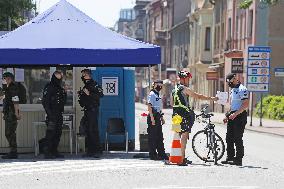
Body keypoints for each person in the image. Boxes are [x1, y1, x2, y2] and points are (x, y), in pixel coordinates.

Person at [171, 70, 218, 166]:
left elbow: (172, 103)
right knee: (184, 135)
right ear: (183, 79)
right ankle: (181, 159)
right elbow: (198, 96)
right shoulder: (184, 88)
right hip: (184, 114)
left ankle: (176, 157)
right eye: (188, 78)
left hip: (175, 115)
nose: (188, 80)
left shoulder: (174, 89)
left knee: (177, 136)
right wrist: (211, 99)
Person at [221, 73, 249, 166]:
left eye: (230, 82)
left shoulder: (242, 89)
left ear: (235, 79)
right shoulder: (233, 90)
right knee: (229, 137)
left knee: (237, 138)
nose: (230, 84)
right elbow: (233, 105)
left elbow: (245, 104)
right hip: (232, 114)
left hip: (240, 115)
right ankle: (230, 157)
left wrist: (235, 114)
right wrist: (227, 115)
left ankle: (238, 159)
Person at [78, 69, 104, 158]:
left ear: (88, 75)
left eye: (84, 75)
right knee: (88, 130)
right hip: (87, 110)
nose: (82, 77)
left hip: (93, 110)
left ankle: (97, 150)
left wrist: (89, 94)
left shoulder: (94, 84)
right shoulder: (86, 85)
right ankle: (90, 150)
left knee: (93, 130)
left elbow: (101, 95)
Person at [42, 70, 67, 159]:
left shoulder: (60, 87)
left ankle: (54, 151)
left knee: (58, 133)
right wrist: (50, 114)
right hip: (52, 114)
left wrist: (65, 92)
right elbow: (45, 102)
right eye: (59, 76)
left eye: (61, 76)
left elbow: (63, 101)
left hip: (59, 113)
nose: (60, 78)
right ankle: (47, 152)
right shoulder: (49, 87)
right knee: (50, 133)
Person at [1, 72, 21, 159]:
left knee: (10, 133)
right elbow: (3, 97)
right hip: (8, 113)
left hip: (11, 114)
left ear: (12, 79)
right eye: (5, 78)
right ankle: (13, 151)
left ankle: (13, 152)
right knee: (9, 133)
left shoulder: (13, 88)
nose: (6, 80)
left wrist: (17, 113)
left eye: (8, 78)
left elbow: (16, 102)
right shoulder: (7, 88)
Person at [147, 80, 168, 160]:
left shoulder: (158, 94)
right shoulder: (152, 94)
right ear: (155, 85)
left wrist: (161, 118)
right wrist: (152, 118)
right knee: (153, 137)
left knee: (159, 136)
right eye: (159, 85)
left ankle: (161, 154)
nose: (160, 86)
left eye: (161, 85)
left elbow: (158, 108)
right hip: (153, 116)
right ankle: (153, 155)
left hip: (158, 116)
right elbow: (149, 106)